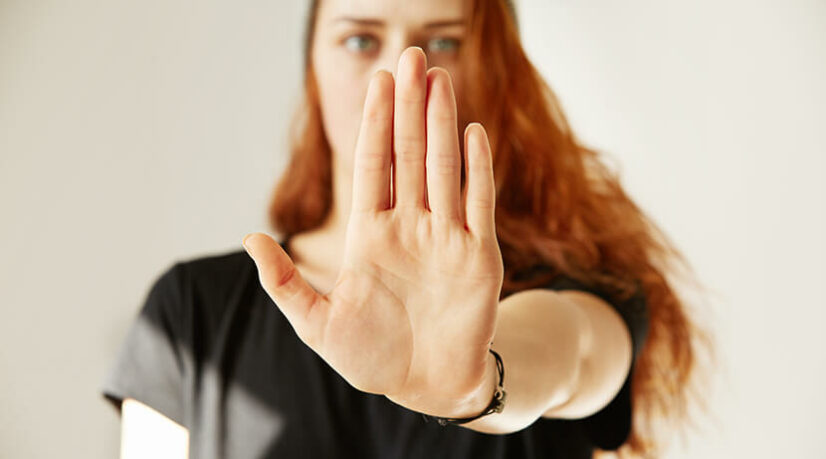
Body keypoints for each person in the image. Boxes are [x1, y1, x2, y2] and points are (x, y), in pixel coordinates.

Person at [101, 0, 711, 458]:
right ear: (312, 65)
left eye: (443, 42)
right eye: (361, 40)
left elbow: (571, 353)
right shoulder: (189, 315)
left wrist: (474, 387)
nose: (400, 73)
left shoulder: (585, 289)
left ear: (495, 68)